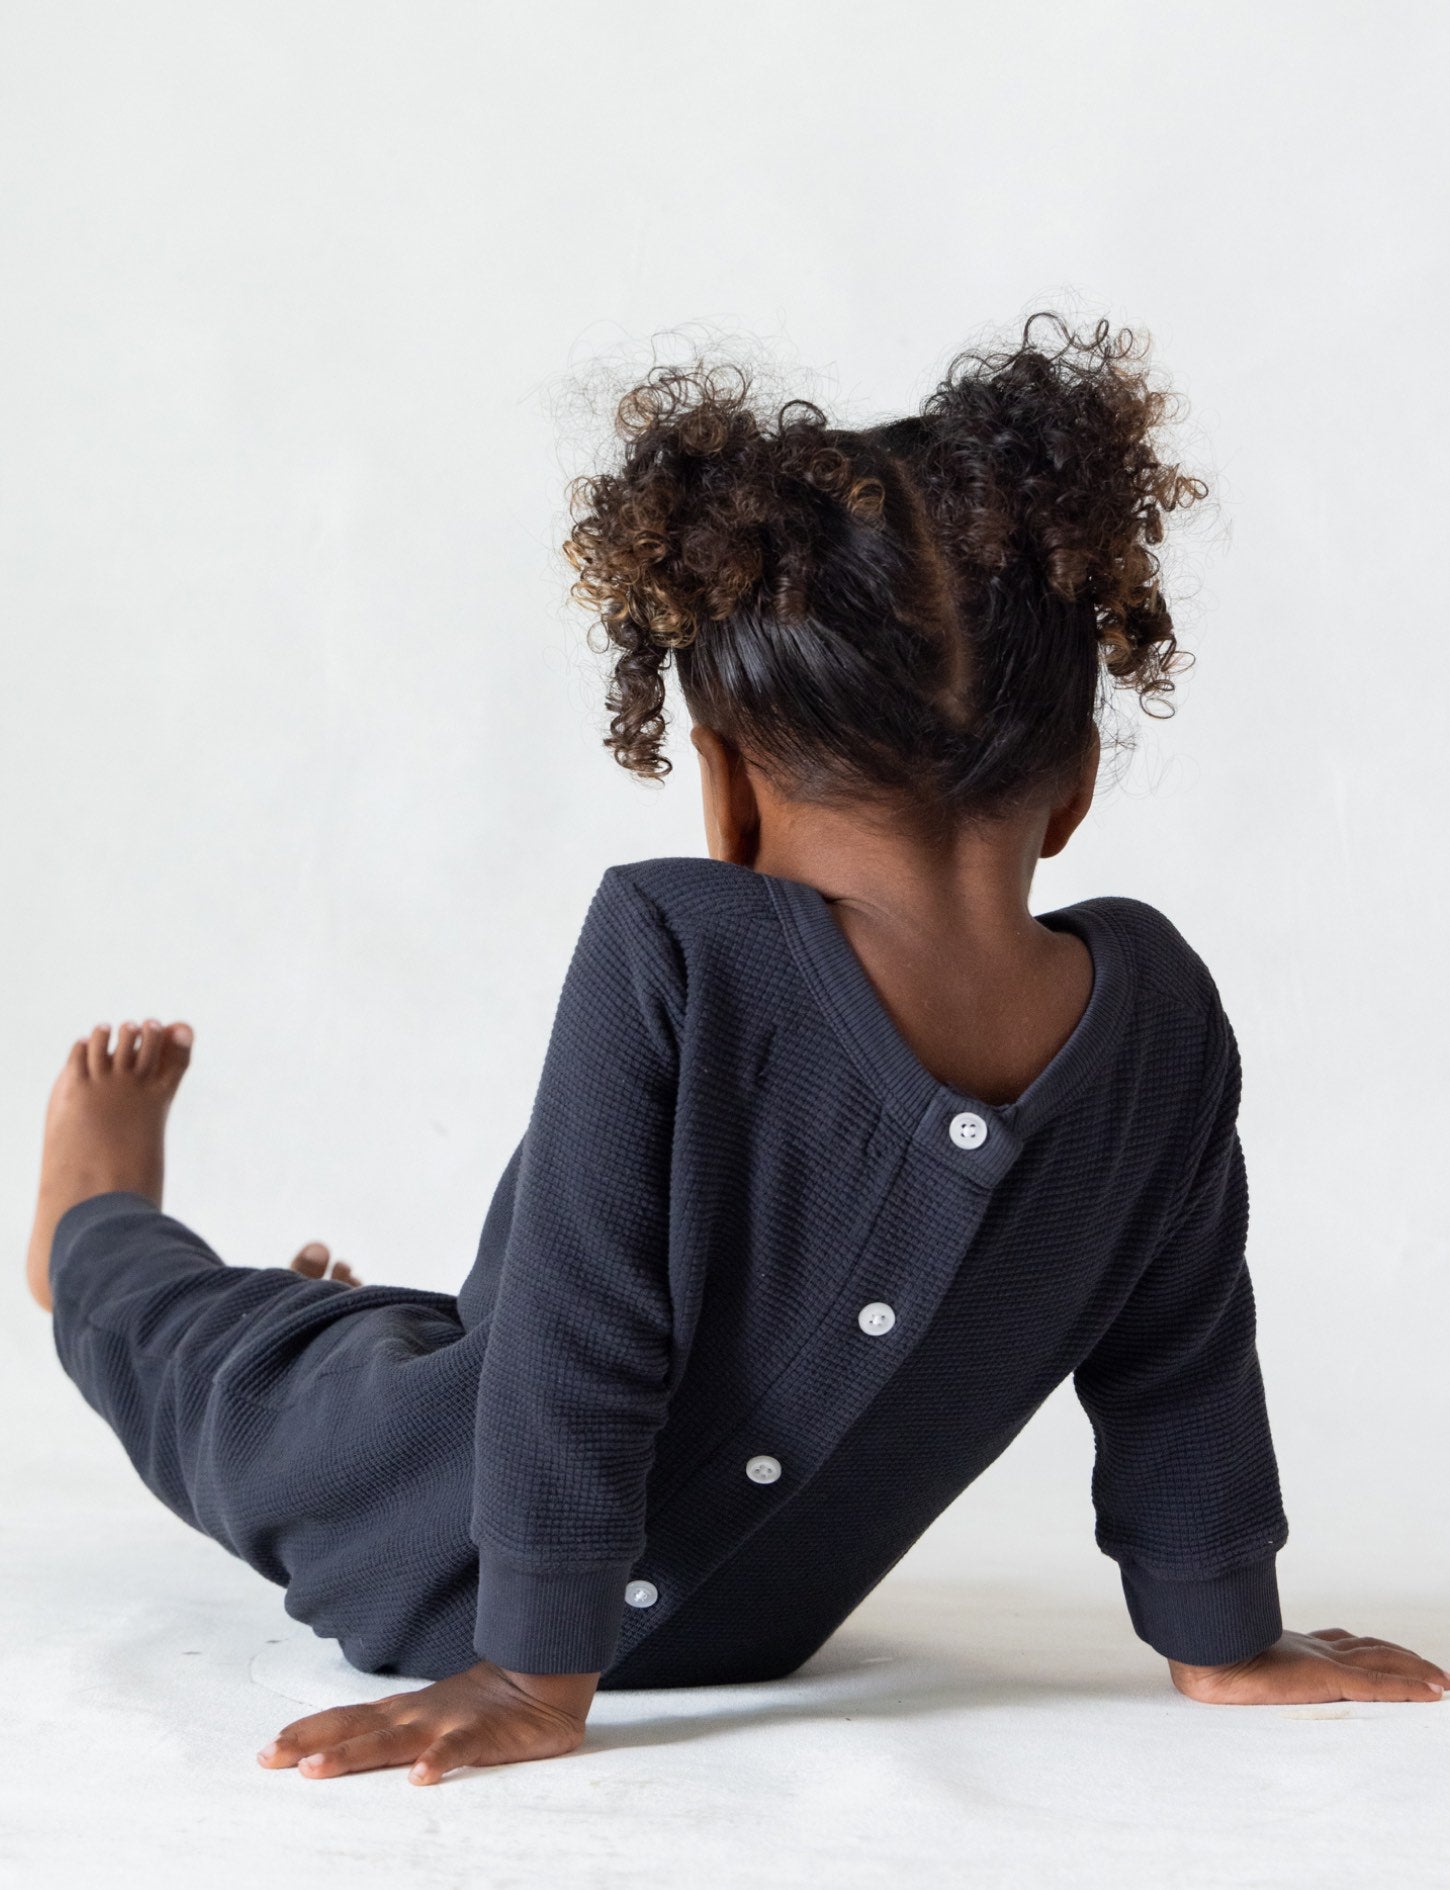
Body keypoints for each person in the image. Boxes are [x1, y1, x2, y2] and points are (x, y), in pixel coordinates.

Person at [26, 312, 1447, 1789]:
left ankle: (325, 1324)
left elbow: (1165, 1339)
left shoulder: (716, 941)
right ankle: (91, 1232)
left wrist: (533, 1676)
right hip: (410, 1528)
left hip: (516, 1579)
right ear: (1077, 781)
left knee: (371, 1350)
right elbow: (1181, 1360)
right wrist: (1224, 1634)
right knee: (208, 1361)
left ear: (723, 788)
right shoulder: (1069, 1000)